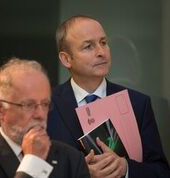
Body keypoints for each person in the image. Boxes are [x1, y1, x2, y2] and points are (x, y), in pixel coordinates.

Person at [47, 15, 170, 178]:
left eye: (103, 43)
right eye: (88, 46)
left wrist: (126, 169)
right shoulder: (46, 105)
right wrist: (80, 173)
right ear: (66, 59)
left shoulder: (137, 103)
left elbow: (161, 172)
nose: (101, 52)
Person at [0, 57, 90, 178]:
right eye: (28, 105)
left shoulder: (72, 159)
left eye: (45, 104)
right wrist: (33, 163)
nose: (41, 115)